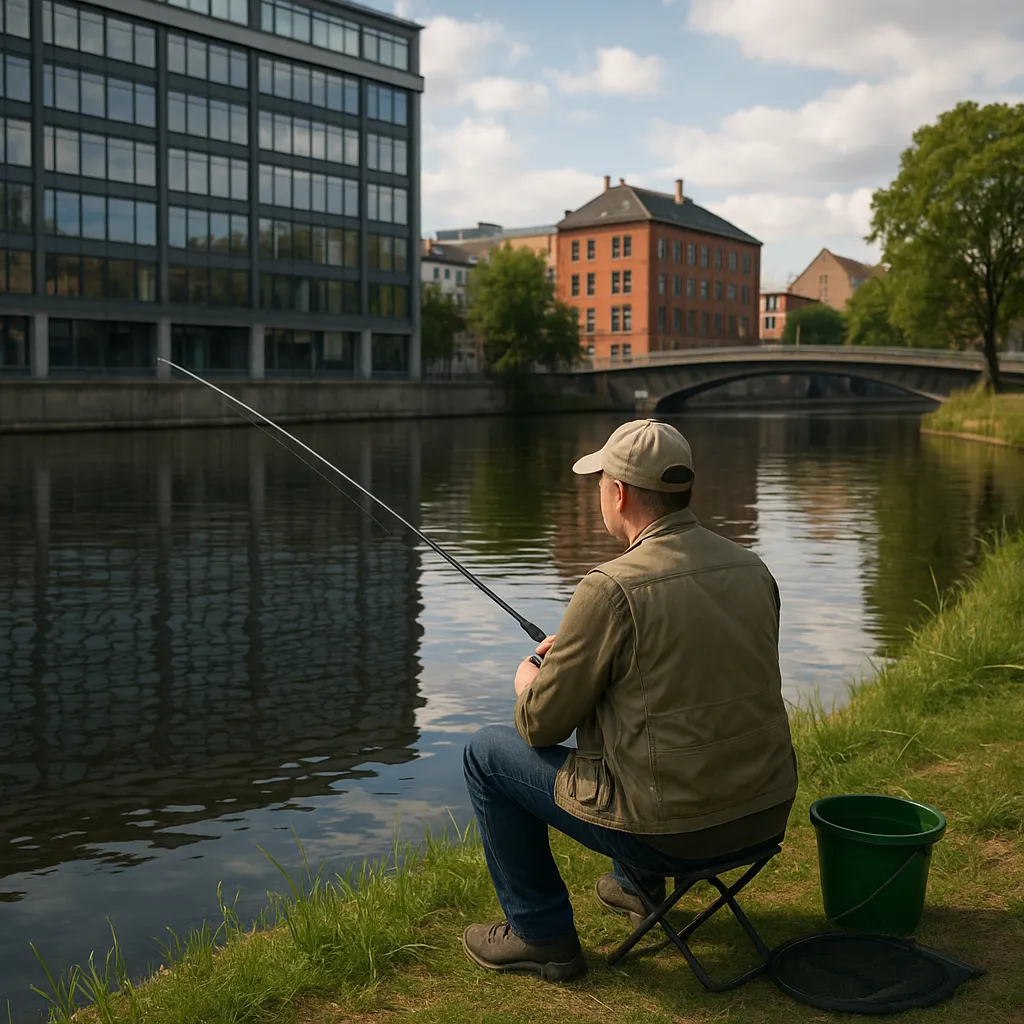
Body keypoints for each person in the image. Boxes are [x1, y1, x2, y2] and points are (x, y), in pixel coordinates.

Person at [461, 419, 798, 981]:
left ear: (617, 493)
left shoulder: (609, 587)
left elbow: (539, 725)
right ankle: (637, 886)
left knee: (485, 754)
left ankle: (541, 936)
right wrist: (583, 654)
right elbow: (693, 675)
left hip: (673, 832)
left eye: (599, 484)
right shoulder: (752, 568)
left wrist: (530, 677)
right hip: (763, 815)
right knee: (650, 721)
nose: (598, 495)